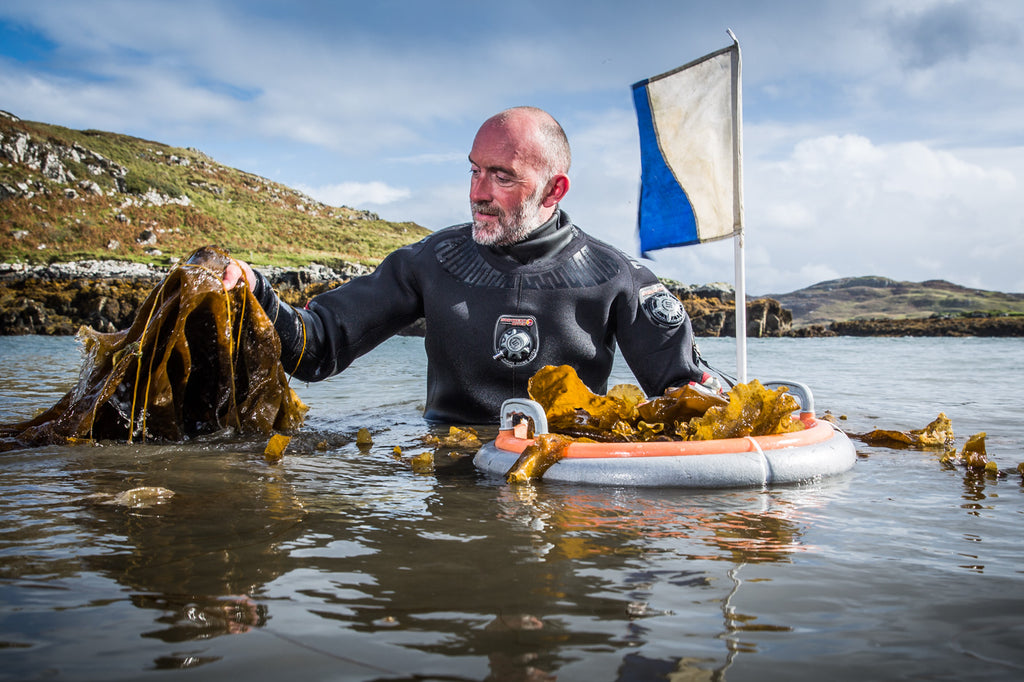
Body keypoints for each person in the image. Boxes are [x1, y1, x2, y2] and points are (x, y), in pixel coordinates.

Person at [223, 106, 715, 424]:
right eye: (474, 170)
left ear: (554, 189)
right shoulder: (431, 261)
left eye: (501, 177)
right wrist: (256, 293)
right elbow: (317, 347)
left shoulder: (616, 276)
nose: (478, 193)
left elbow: (688, 394)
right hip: (450, 482)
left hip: (564, 488)